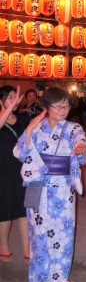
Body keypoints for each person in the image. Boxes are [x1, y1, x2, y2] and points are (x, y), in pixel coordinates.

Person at [14, 87, 86, 282]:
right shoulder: (37, 127)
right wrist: (28, 130)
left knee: (64, 230)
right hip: (37, 184)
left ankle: (61, 275)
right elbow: (19, 152)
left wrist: (80, 147)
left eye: (66, 105)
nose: (64, 110)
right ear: (47, 107)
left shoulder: (73, 127)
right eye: (58, 106)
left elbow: (80, 139)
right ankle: (45, 278)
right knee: (39, 231)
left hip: (63, 186)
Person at [0, 86, 30, 263]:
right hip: (3, 172)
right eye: (10, 97)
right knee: (4, 212)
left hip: (23, 171)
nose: (14, 100)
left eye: (15, 97)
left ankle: (27, 249)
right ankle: (3, 246)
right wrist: (10, 107)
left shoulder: (23, 119)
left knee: (25, 211)